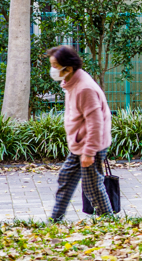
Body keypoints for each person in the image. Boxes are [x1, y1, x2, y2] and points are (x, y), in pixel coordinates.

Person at [47, 45, 115, 222]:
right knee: (66, 180)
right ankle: (55, 219)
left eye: (55, 65)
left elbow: (95, 122)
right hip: (80, 144)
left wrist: (89, 152)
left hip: (89, 146)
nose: (52, 70)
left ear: (67, 68)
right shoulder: (72, 81)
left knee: (92, 187)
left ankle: (109, 221)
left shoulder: (84, 88)